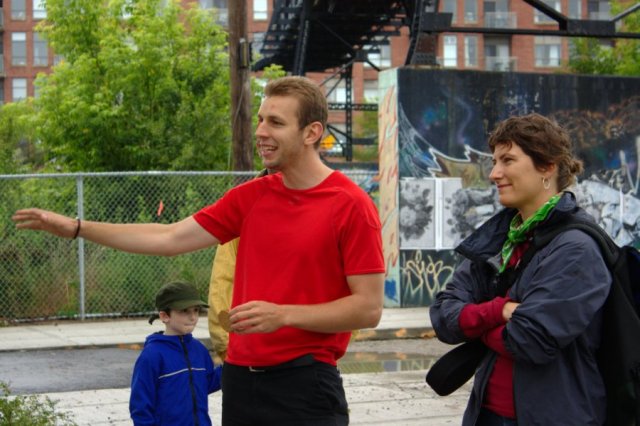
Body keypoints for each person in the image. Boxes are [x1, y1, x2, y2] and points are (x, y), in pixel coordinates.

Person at [12, 76, 385, 425]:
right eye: (259, 120)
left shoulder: (350, 205)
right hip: (240, 383)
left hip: (305, 386)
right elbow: (169, 238)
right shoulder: (250, 198)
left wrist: (284, 315)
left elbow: (367, 308)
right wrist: (77, 228)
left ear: (312, 132)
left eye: (275, 122)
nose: (261, 132)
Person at [429, 113, 611, 425]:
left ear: (547, 166)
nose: (494, 173)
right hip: (484, 414)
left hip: (551, 417)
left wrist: (476, 320)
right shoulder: (498, 239)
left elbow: (530, 340)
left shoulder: (576, 248)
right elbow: (444, 316)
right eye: (495, 161)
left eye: (508, 160)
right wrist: (499, 311)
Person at [130, 281, 222, 425]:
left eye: (196, 310)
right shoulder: (152, 355)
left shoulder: (199, 349)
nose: (193, 317)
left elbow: (206, 384)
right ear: (165, 316)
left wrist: (230, 366)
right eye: (184, 311)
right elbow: (140, 406)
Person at [207, 169, 269, 362]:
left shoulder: (323, 204)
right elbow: (222, 281)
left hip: (306, 354)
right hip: (250, 349)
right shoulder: (242, 209)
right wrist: (226, 343)